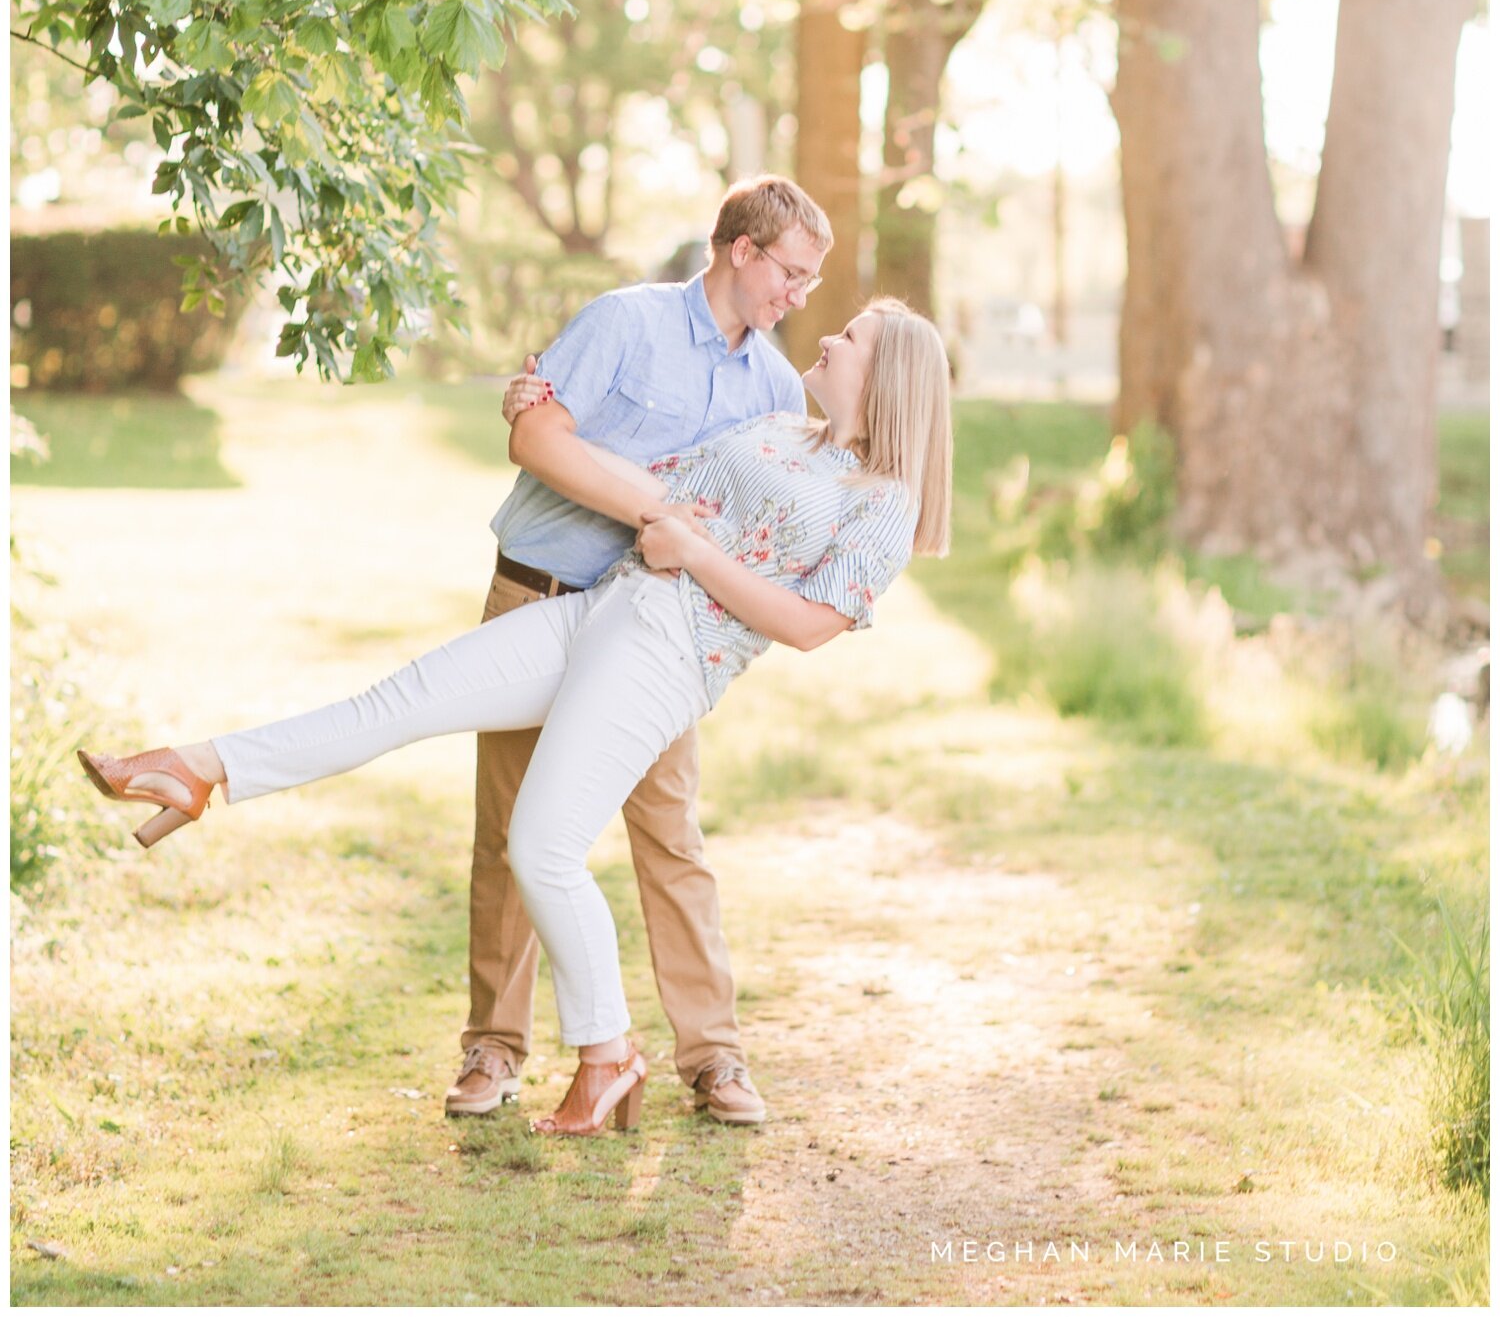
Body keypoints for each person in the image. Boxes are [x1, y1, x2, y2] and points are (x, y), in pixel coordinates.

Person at [78, 297, 952, 1140]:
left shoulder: (884, 502)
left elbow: (807, 625)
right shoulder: (777, 431)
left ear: (887, 378)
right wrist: (541, 415)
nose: (828, 336)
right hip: (603, 608)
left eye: (852, 335)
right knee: (401, 699)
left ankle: (608, 1056)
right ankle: (197, 767)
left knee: (543, 846)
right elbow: (644, 480)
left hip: (669, 652)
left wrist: (695, 554)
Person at [459, 175, 829, 1129]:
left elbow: (791, 506)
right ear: (741, 249)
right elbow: (537, 438)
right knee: (511, 833)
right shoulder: (624, 322)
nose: (800, 294)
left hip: (651, 636)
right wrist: (658, 506)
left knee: (670, 837)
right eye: (791, 271)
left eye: (810, 281)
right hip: (537, 594)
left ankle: (714, 1058)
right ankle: (493, 1050)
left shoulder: (779, 387)